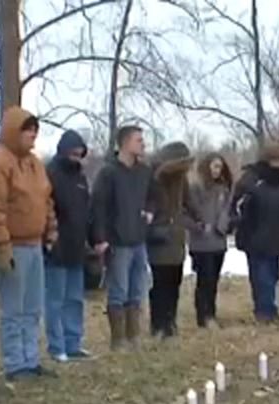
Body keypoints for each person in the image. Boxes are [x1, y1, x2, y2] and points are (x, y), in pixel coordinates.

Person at [0, 106, 58, 381]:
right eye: (28, 131)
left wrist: (51, 230)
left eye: (35, 131)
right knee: (13, 308)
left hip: (35, 244)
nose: (33, 136)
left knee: (33, 306)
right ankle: (15, 363)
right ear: (14, 132)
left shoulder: (35, 163)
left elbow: (46, 198)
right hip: (13, 245)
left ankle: (31, 359)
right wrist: (1, 245)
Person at [94, 125, 154, 349]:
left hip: (139, 239)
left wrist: (150, 211)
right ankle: (118, 339)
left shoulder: (144, 172)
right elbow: (98, 206)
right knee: (119, 290)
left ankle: (134, 336)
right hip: (118, 240)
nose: (143, 144)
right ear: (125, 143)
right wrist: (100, 237)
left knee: (137, 290)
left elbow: (154, 196)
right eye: (139, 140)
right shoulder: (108, 173)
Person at [44, 129, 98, 362]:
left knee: (75, 299)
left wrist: (94, 239)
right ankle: (56, 346)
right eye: (73, 153)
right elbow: (47, 208)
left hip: (77, 247)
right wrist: (49, 239)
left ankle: (73, 342)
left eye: (80, 154)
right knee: (55, 299)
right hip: (56, 247)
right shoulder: (51, 174)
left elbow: (88, 211)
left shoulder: (81, 178)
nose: (77, 158)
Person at [231, 143, 279, 323]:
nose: (277, 165)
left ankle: (270, 309)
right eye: (274, 161)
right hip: (254, 236)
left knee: (273, 276)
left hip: (278, 236)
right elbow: (236, 206)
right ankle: (264, 312)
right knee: (261, 277)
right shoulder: (251, 180)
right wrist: (241, 224)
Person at [146, 141, 193, 339]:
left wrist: (197, 219)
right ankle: (158, 325)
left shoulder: (182, 180)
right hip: (159, 238)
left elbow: (188, 202)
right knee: (160, 284)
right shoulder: (152, 177)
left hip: (176, 238)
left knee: (175, 282)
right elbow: (147, 205)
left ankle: (170, 323)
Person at [185, 153, 232, 328]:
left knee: (214, 280)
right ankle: (203, 316)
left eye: (220, 167)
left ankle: (211, 313)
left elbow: (227, 210)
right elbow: (185, 213)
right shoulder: (195, 188)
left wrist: (223, 225)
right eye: (214, 166)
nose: (217, 171)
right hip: (201, 243)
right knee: (205, 279)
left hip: (219, 241)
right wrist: (198, 226)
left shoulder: (223, 189)